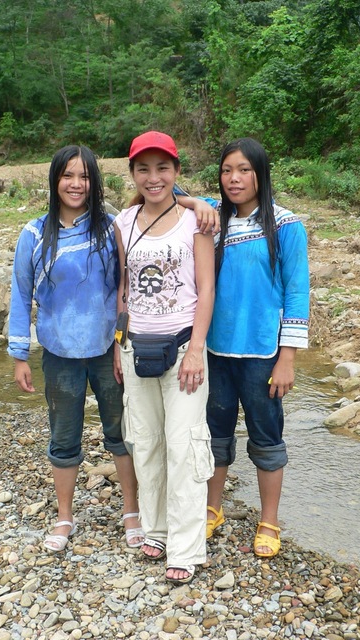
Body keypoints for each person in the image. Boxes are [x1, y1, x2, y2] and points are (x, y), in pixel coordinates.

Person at [7, 145, 143, 552]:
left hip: (109, 351)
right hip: (59, 354)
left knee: (122, 433)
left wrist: (125, 343)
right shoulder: (34, 233)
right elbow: (20, 294)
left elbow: (128, 283)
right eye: (68, 176)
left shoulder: (112, 226)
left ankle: (131, 512)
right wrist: (19, 356)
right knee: (64, 438)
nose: (76, 184)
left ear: (94, 182)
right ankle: (64, 516)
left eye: (84, 177)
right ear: (55, 180)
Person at [196, 137, 309, 557]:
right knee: (215, 436)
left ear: (261, 173)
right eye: (227, 170)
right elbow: (170, 191)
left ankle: (270, 520)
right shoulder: (214, 220)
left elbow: (298, 292)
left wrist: (288, 357)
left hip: (263, 354)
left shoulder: (285, 225)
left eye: (244, 170)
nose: (234, 178)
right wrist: (199, 204)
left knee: (266, 438)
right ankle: (212, 508)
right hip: (216, 352)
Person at [114, 131, 215, 584]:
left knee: (185, 444)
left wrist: (196, 348)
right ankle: (155, 530)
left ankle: (188, 547)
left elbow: (206, 289)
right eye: (143, 169)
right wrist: (119, 344)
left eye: (162, 168)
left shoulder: (196, 220)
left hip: (182, 350)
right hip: (136, 348)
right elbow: (122, 289)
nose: (153, 178)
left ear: (176, 171)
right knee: (146, 443)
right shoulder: (124, 222)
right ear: (133, 173)